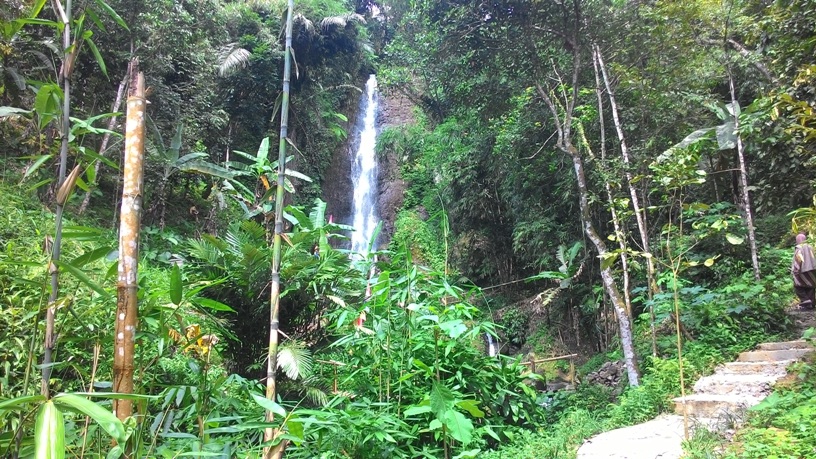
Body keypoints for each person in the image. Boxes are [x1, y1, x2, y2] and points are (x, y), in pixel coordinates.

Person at [792, 233, 816, 310]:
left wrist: (796, 269)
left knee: (798, 286)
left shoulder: (799, 248)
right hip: (812, 270)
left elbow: (798, 259)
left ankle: (806, 301)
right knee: (810, 286)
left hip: (802, 270)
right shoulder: (810, 247)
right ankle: (812, 304)